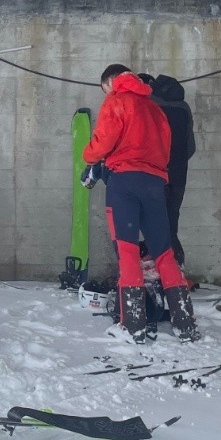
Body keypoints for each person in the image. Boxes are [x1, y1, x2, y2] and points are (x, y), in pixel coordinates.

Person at [82, 64, 198, 342]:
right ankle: (185, 324)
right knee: (164, 253)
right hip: (156, 184)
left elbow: (102, 142)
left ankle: (133, 326)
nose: (105, 93)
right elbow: (168, 149)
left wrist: (89, 157)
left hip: (124, 183)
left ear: (110, 81)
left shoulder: (117, 101)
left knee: (128, 251)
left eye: (104, 88)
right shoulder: (155, 109)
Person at [144, 74, 195, 268]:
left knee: (154, 222)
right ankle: (176, 263)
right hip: (179, 174)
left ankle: (163, 269)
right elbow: (191, 147)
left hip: (156, 174)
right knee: (171, 220)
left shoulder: (149, 105)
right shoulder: (184, 108)